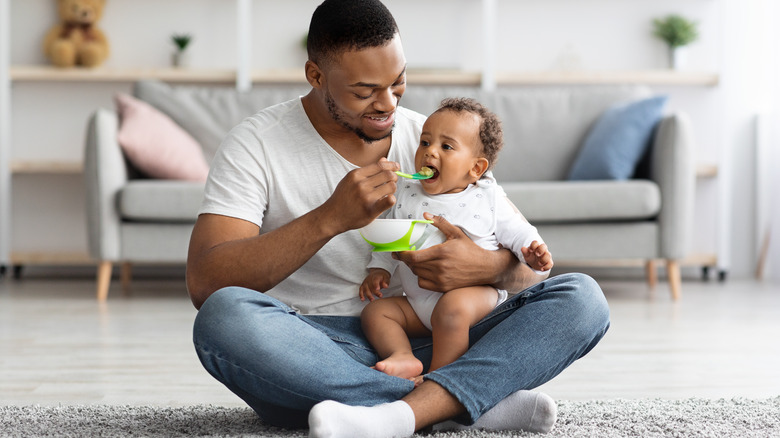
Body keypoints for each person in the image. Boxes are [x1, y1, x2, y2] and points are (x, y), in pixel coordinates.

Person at [186, 1, 610, 437]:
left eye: (398, 81)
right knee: (223, 318)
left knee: (582, 298)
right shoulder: (255, 146)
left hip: (446, 335)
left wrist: (484, 267)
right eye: (365, 90)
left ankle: (393, 409)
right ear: (316, 76)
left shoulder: (435, 139)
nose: (387, 104)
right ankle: (461, 401)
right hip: (319, 348)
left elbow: (530, 269)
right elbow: (206, 282)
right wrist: (330, 218)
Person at [359, 97, 554, 385]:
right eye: (425, 143)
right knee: (376, 312)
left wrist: (532, 252)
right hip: (418, 305)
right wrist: (379, 270)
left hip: (474, 299)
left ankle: (440, 382)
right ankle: (402, 355)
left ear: (476, 168)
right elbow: (394, 235)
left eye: (446, 147)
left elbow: (518, 232)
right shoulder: (407, 191)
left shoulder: (487, 197)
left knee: (452, 310)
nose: (430, 153)